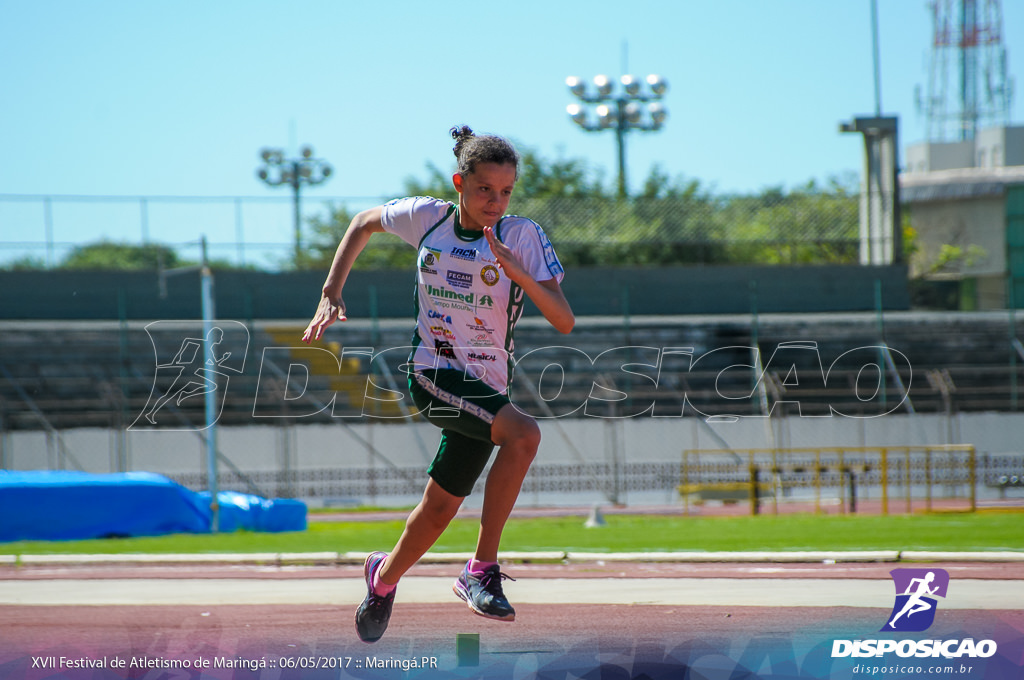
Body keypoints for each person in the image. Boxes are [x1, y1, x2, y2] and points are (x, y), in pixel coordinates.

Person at [302, 125, 575, 643]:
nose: (495, 201)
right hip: (432, 373)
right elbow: (362, 223)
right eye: (484, 190)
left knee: (440, 507)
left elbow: (563, 320)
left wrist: (519, 275)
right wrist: (331, 290)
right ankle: (480, 570)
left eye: (506, 191)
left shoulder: (523, 237)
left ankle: (382, 580)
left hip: (487, 386)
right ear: (459, 183)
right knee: (523, 435)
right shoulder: (428, 219)